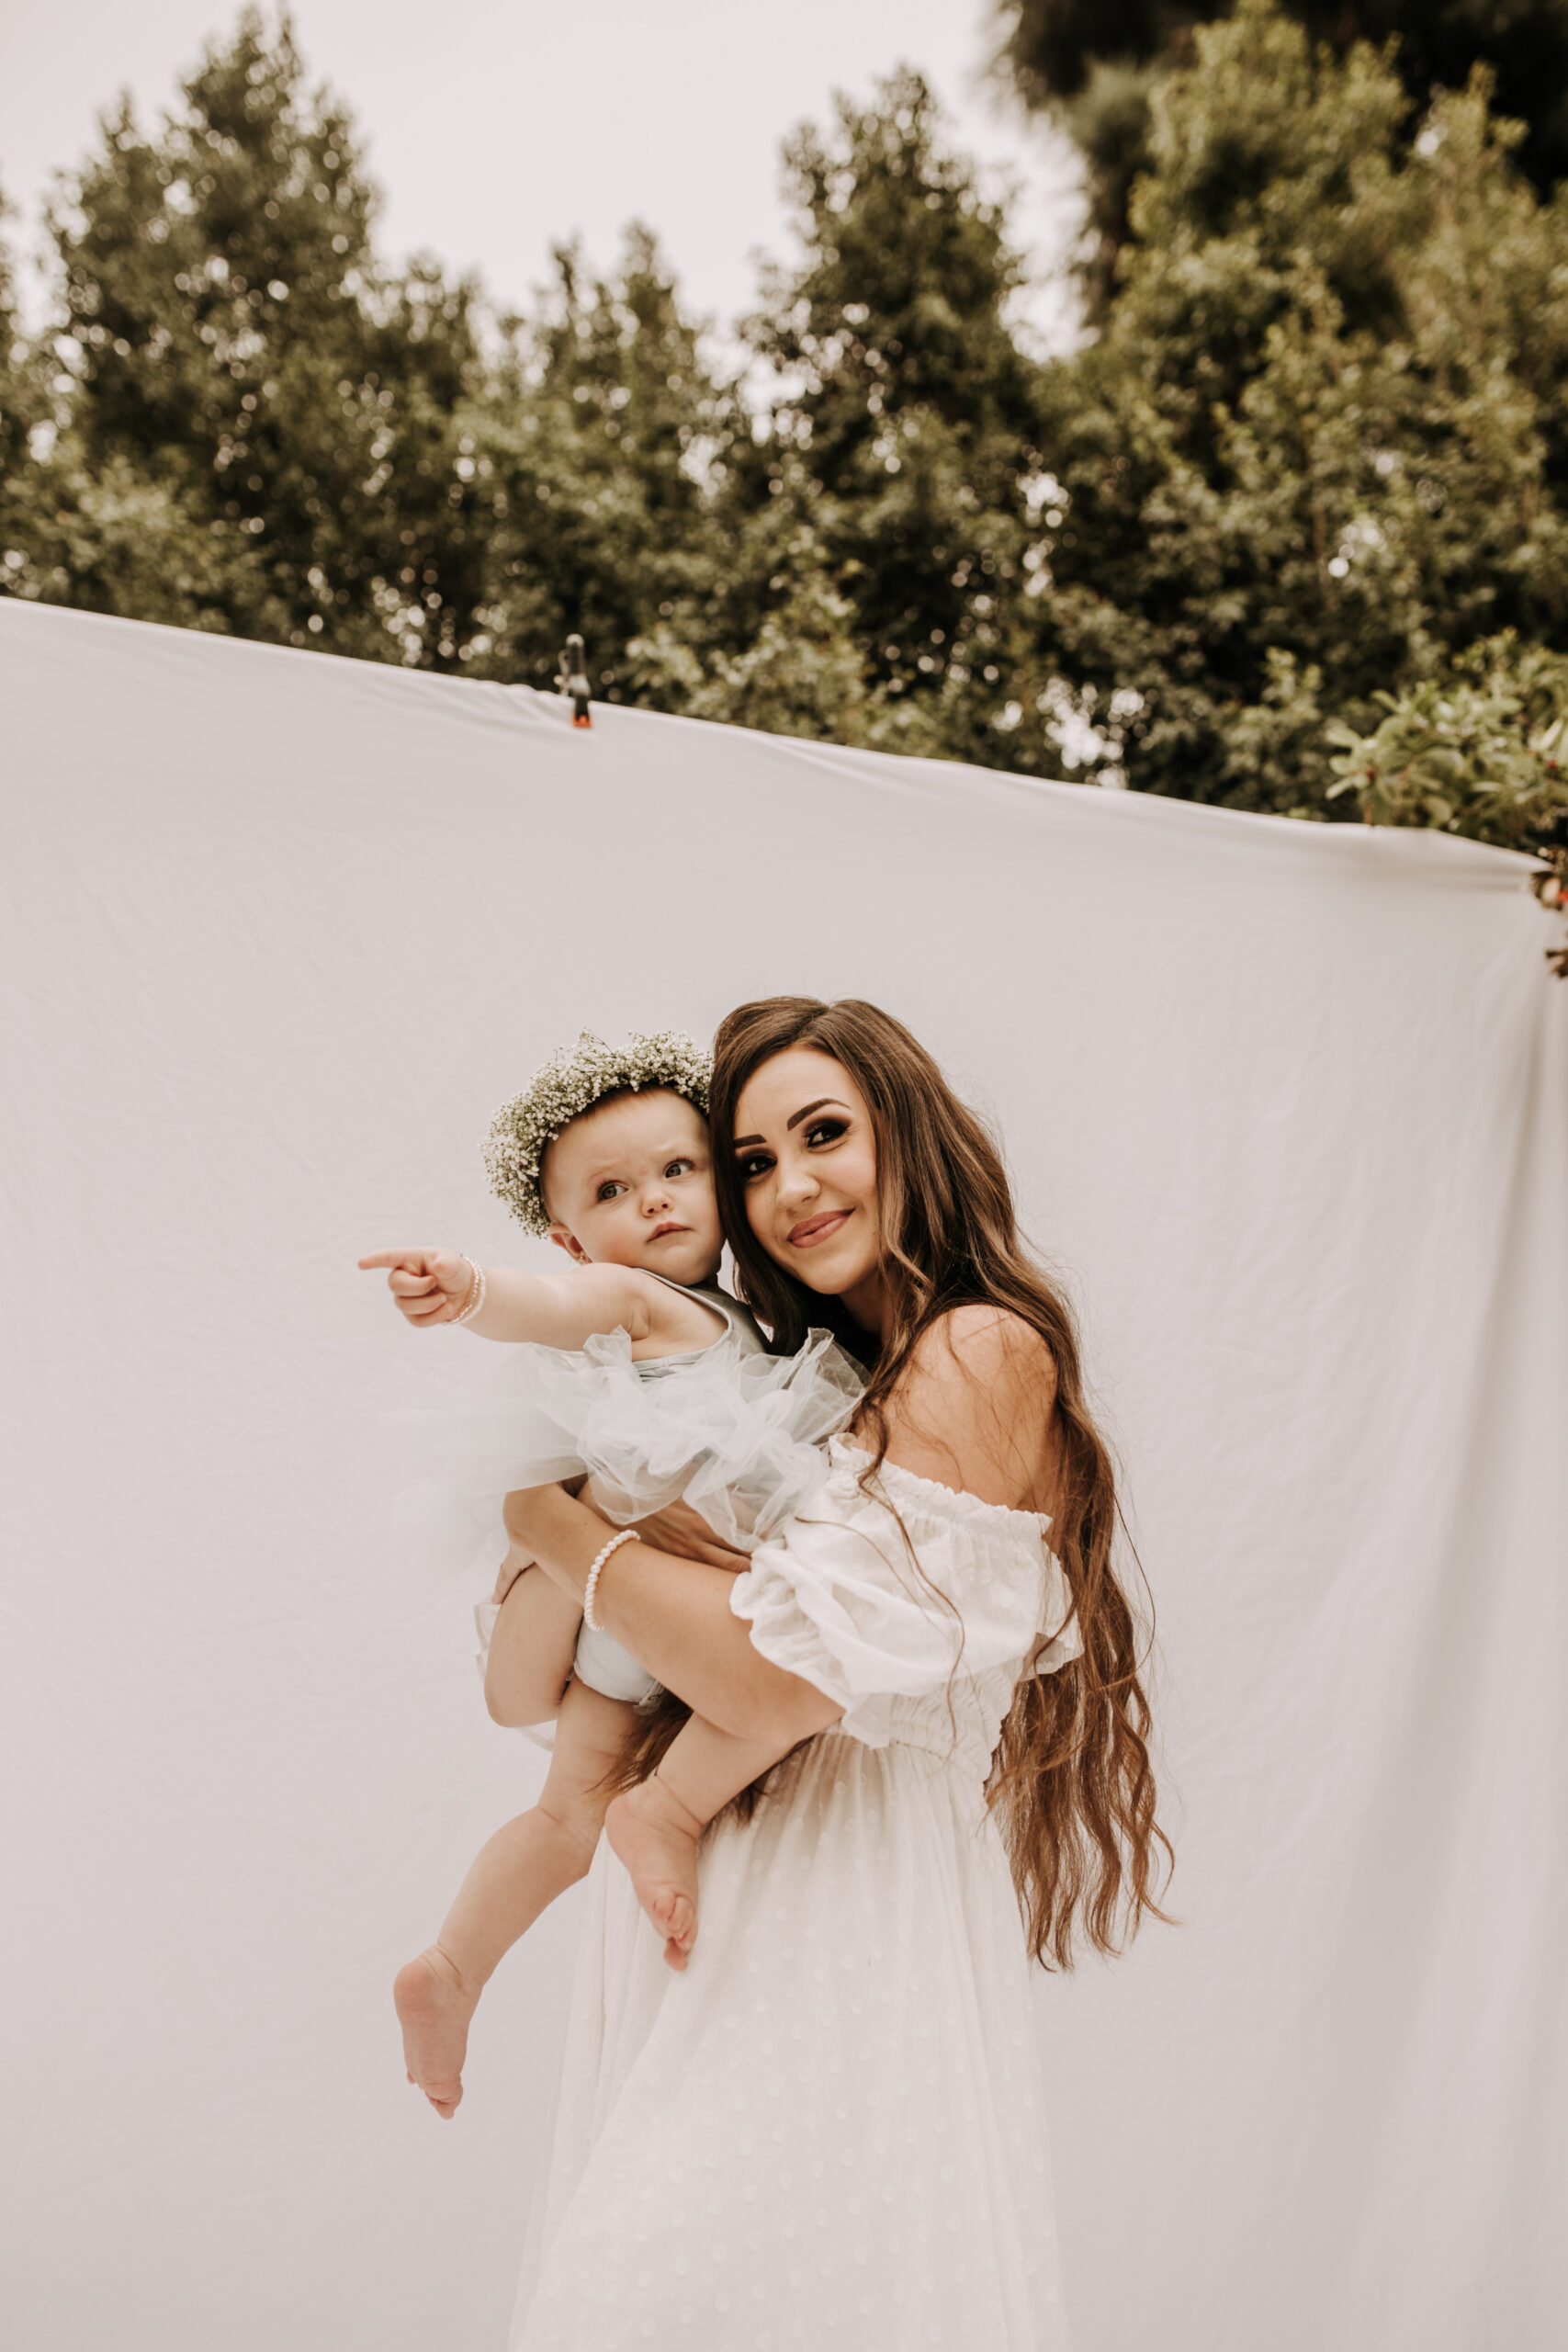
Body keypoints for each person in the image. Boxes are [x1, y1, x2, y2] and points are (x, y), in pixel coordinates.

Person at [489, 995, 1170, 2351]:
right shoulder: (778, 1384)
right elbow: (524, 1694)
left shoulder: (977, 1347)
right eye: (748, 1161)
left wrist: (552, 1524)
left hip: (841, 1914)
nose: (788, 1187)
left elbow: (777, 1679)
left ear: (901, 1134)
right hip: (696, 1903)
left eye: (822, 1134)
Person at [359, 1030, 860, 2119]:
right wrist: (469, 1288)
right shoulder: (636, 1301)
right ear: (572, 1236)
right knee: (784, 1688)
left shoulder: (752, 1320)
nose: (659, 1203)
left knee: (566, 1815)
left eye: (680, 1171)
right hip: (639, 1598)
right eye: (614, 1190)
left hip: (642, 1611)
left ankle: (451, 1966)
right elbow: (548, 1308)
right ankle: (654, 1822)